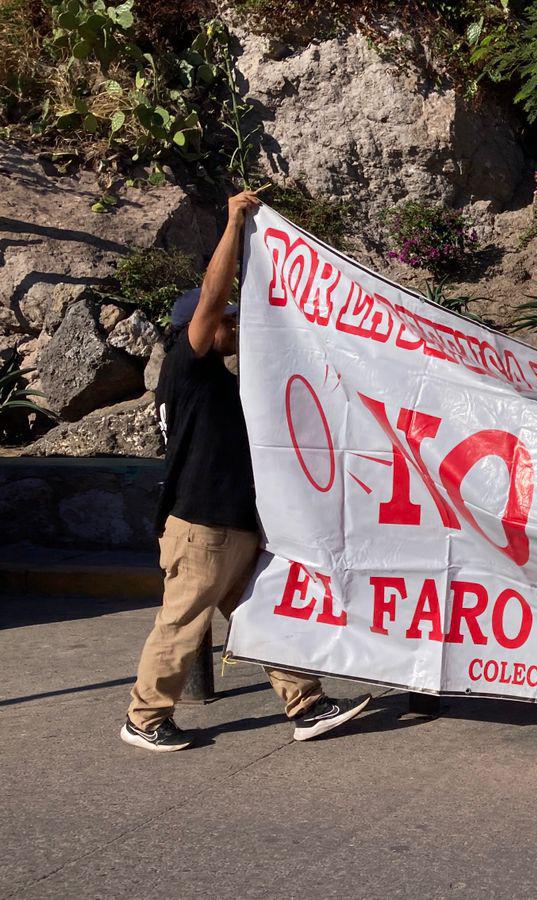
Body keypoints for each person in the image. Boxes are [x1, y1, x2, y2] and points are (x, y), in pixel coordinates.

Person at [120, 189, 371, 752]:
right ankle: (144, 718)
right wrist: (234, 224)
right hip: (201, 524)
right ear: (202, 328)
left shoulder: (221, 382)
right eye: (227, 320)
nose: (235, 325)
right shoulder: (188, 364)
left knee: (265, 615)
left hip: (232, 522)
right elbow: (213, 293)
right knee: (182, 625)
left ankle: (305, 704)